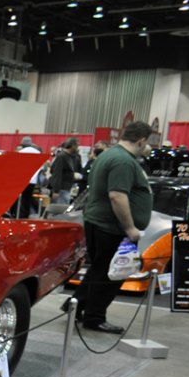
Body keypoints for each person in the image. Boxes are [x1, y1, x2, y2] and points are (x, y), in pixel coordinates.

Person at [63, 121, 153, 334]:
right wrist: (130, 228)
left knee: (100, 270)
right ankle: (95, 317)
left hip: (100, 223)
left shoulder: (109, 155)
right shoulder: (123, 161)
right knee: (110, 275)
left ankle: (76, 305)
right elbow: (117, 196)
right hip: (110, 227)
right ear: (141, 140)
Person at [15, 135, 43, 218]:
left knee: (20, 199)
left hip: (21, 179)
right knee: (28, 198)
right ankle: (26, 216)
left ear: (22, 144)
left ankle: (19, 216)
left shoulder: (20, 152)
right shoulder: (37, 152)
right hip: (33, 180)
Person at [48, 137, 82, 204]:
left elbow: (78, 171)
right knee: (60, 208)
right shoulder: (61, 157)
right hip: (62, 189)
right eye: (77, 145)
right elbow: (57, 173)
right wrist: (56, 190)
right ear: (72, 145)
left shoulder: (75, 157)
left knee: (63, 208)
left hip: (69, 188)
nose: (78, 147)